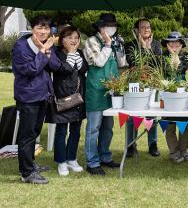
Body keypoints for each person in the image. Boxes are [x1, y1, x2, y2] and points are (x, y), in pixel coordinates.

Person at [13, 15, 60, 184]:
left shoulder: (47, 44)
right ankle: (26, 173)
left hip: (43, 95)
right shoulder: (21, 47)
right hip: (28, 97)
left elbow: (55, 66)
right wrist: (42, 52)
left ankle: (31, 164)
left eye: (46, 28)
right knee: (26, 135)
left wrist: (47, 50)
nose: (43, 31)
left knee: (34, 133)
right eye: (39, 28)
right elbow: (31, 69)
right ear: (32, 28)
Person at [84, 13, 127, 175]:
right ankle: (92, 162)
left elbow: (122, 64)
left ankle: (105, 157)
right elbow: (99, 61)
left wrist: (117, 46)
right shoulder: (91, 41)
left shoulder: (116, 41)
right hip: (95, 90)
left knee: (108, 127)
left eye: (113, 26)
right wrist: (108, 45)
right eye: (108, 25)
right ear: (100, 27)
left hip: (111, 91)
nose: (112, 28)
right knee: (93, 128)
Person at [46, 26, 88, 176]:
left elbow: (83, 69)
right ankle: (61, 161)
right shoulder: (55, 53)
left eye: (76, 38)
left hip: (78, 97)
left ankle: (72, 158)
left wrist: (75, 54)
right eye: (70, 37)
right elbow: (63, 69)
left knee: (76, 131)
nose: (73, 40)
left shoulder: (80, 53)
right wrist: (71, 54)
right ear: (62, 39)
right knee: (61, 131)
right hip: (62, 97)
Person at [125, 18, 162, 158]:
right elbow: (132, 61)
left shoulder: (156, 44)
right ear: (136, 30)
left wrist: (147, 48)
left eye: (148, 27)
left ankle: (153, 144)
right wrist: (141, 46)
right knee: (132, 116)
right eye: (142, 27)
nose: (146, 29)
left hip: (152, 83)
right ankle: (130, 145)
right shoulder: (130, 45)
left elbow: (157, 63)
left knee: (151, 115)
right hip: (134, 84)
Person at [161, 32, 188, 163]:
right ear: (167, 44)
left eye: (177, 43)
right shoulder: (163, 57)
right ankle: (174, 152)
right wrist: (173, 55)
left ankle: (183, 150)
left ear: (181, 44)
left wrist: (177, 55)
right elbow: (170, 70)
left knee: (184, 123)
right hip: (168, 90)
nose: (174, 45)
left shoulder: (185, 56)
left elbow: (181, 70)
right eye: (171, 43)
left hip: (181, 91)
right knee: (170, 125)